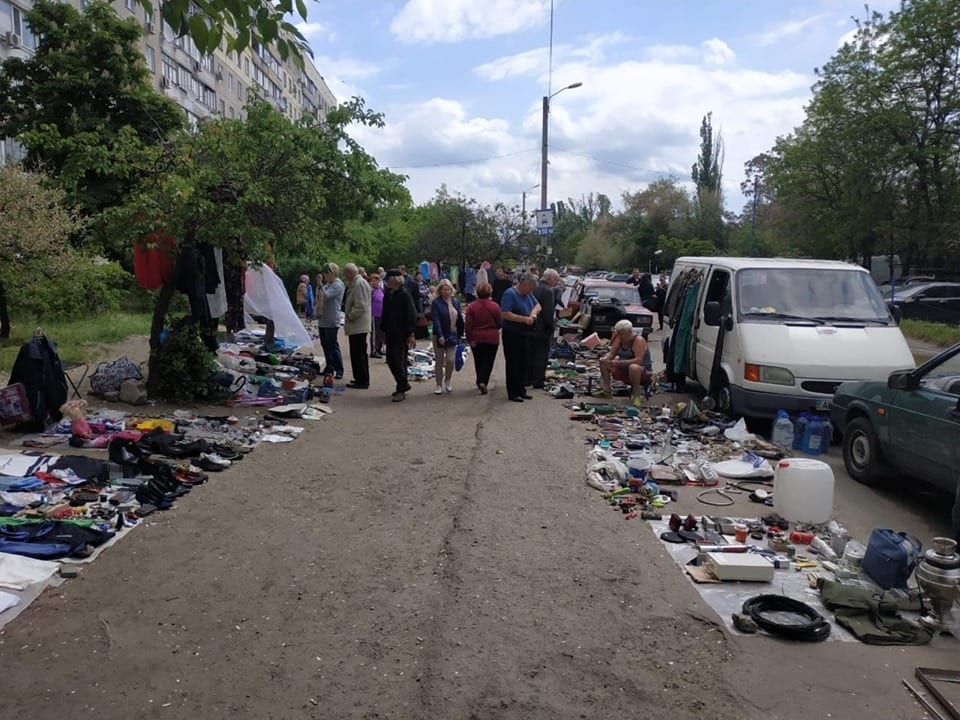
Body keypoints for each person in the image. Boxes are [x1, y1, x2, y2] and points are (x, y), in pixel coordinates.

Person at [499, 273, 540, 402]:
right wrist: (523, 319)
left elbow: (538, 306)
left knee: (524, 362)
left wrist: (533, 314)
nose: (531, 291)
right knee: (513, 363)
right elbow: (505, 313)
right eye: (530, 288)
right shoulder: (509, 294)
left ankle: (522, 389)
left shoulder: (528, 294)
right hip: (512, 332)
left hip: (525, 333)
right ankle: (513, 392)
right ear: (524, 284)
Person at [380, 270, 418, 402]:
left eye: (389, 278)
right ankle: (402, 384)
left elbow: (411, 315)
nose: (387, 280)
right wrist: (383, 331)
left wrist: (411, 333)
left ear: (395, 279)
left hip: (402, 333)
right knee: (390, 360)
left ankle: (401, 387)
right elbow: (384, 314)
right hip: (390, 332)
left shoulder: (404, 294)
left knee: (399, 361)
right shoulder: (388, 294)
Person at [595, 319, 651, 406]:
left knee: (633, 367)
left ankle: (636, 395)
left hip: (641, 370)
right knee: (603, 362)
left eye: (621, 333)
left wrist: (619, 363)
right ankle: (607, 390)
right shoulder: (619, 339)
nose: (619, 336)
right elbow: (612, 353)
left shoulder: (638, 340)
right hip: (623, 368)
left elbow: (638, 360)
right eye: (618, 333)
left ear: (629, 331)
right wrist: (606, 358)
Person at [465, 282, 501, 395]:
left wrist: (470, 339)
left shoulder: (471, 307)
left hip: (476, 337)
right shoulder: (495, 306)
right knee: (488, 361)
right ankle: (483, 381)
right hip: (491, 337)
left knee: (478, 360)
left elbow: (468, 325)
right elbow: (500, 323)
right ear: (490, 292)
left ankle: (479, 380)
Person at [430, 279, 464, 395]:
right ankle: (438, 384)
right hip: (439, 335)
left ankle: (448, 380)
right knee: (439, 361)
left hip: (452, 334)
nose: (447, 292)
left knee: (450, 360)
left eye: (448, 289)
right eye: (444, 290)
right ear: (440, 290)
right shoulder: (436, 303)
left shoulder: (455, 302)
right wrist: (440, 335)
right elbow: (436, 319)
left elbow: (459, 318)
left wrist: (461, 333)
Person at [529, 269, 561, 389]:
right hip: (542, 329)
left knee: (531, 354)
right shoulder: (548, 291)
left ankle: (529, 378)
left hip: (532, 326)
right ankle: (538, 381)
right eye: (556, 280)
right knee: (541, 356)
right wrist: (552, 327)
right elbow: (548, 313)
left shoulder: (535, 287)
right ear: (550, 279)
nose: (556, 282)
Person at [343, 263, 372, 389]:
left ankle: (362, 379)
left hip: (358, 324)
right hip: (357, 325)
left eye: (345, 274)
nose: (345, 276)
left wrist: (350, 315)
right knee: (357, 353)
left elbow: (361, 305)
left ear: (350, 273)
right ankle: (359, 378)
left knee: (359, 353)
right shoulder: (357, 283)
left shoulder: (359, 284)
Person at [316, 262, 345, 379]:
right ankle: (329, 367)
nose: (325, 275)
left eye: (327, 273)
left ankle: (339, 369)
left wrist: (320, 285)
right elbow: (319, 295)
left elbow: (326, 295)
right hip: (323, 319)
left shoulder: (337, 285)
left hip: (332, 319)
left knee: (332, 344)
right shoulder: (328, 284)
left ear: (333, 273)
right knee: (325, 344)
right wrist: (319, 285)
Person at [369, 273, 384, 358]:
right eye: (374, 280)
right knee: (374, 333)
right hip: (374, 314)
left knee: (380, 333)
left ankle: (379, 348)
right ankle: (373, 350)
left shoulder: (380, 289)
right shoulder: (371, 290)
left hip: (381, 314)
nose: (376, 282)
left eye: (377, 280)